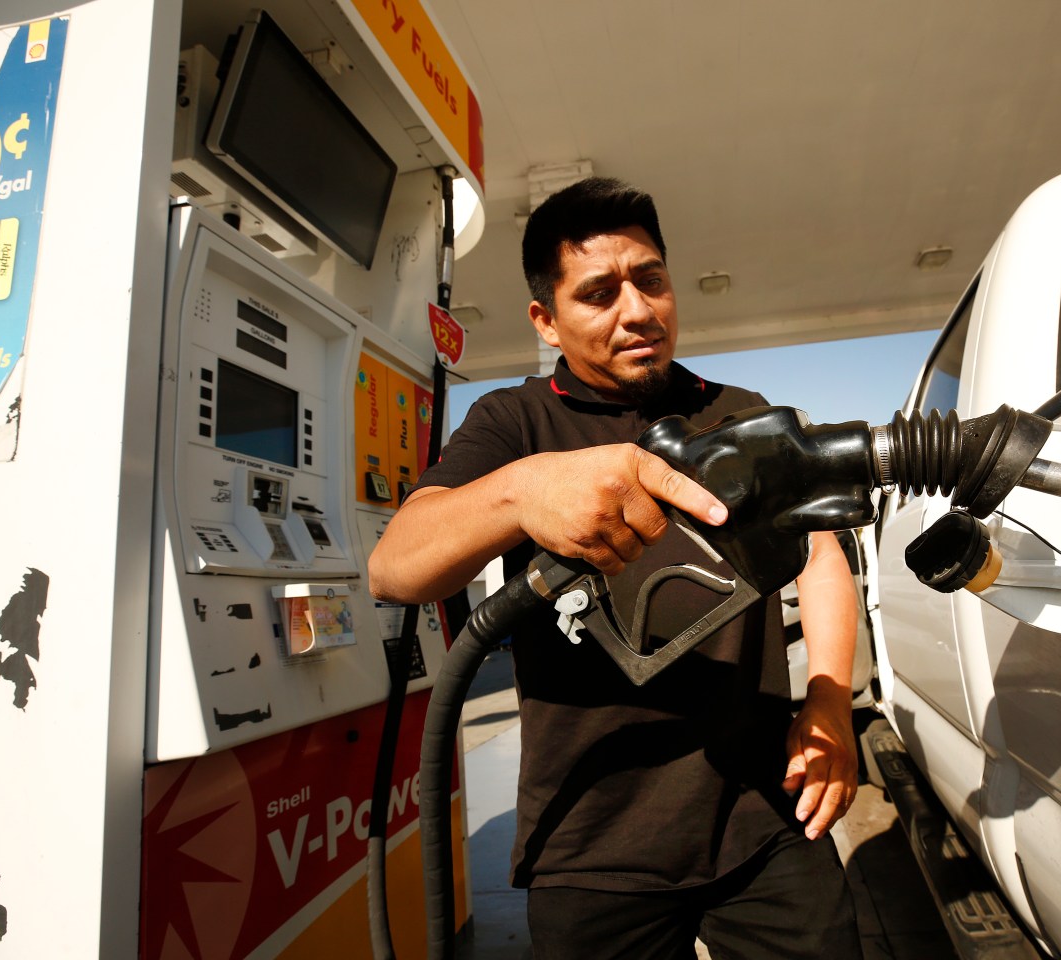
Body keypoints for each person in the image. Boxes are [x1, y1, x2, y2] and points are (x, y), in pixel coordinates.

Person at [369, 178, 862, 959]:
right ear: (546, 319)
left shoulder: (739, 410)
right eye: (599, 293)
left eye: (651, 280)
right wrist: (523, 491)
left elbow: (821, 554)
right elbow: (394, 568)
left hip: (765, 814)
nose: (638, 311)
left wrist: (830, 702)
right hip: (590, 842)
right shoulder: (513, 421)